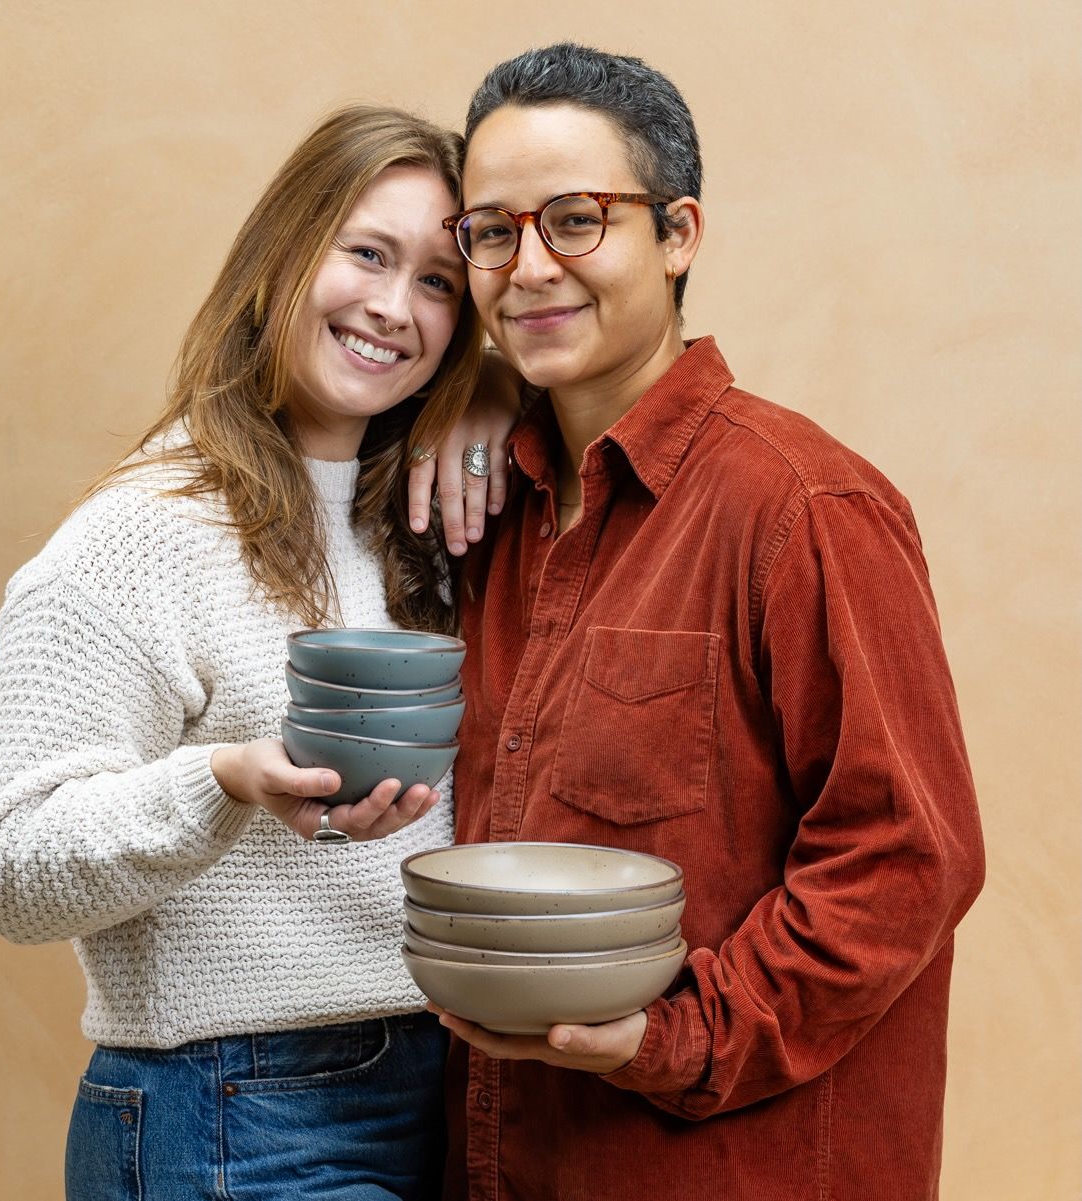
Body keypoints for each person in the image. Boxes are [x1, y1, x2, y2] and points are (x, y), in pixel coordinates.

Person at [428, 44, 987, 1201]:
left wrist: (675, 1035)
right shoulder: (495, 516)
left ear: (678, 234)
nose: (528, 267)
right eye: (491, 231)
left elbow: (906, 859)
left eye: (576, 220)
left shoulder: (803, 506)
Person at [0, 104, 514, 1201]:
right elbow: (10, 872)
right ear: (282, 252)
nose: (393, 307)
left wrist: (498, 391)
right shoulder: (139, 537)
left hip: (441, 1088)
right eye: (365, 253)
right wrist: (219, 780)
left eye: (438, 282)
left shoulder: (419, 519)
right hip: (229, 1111)